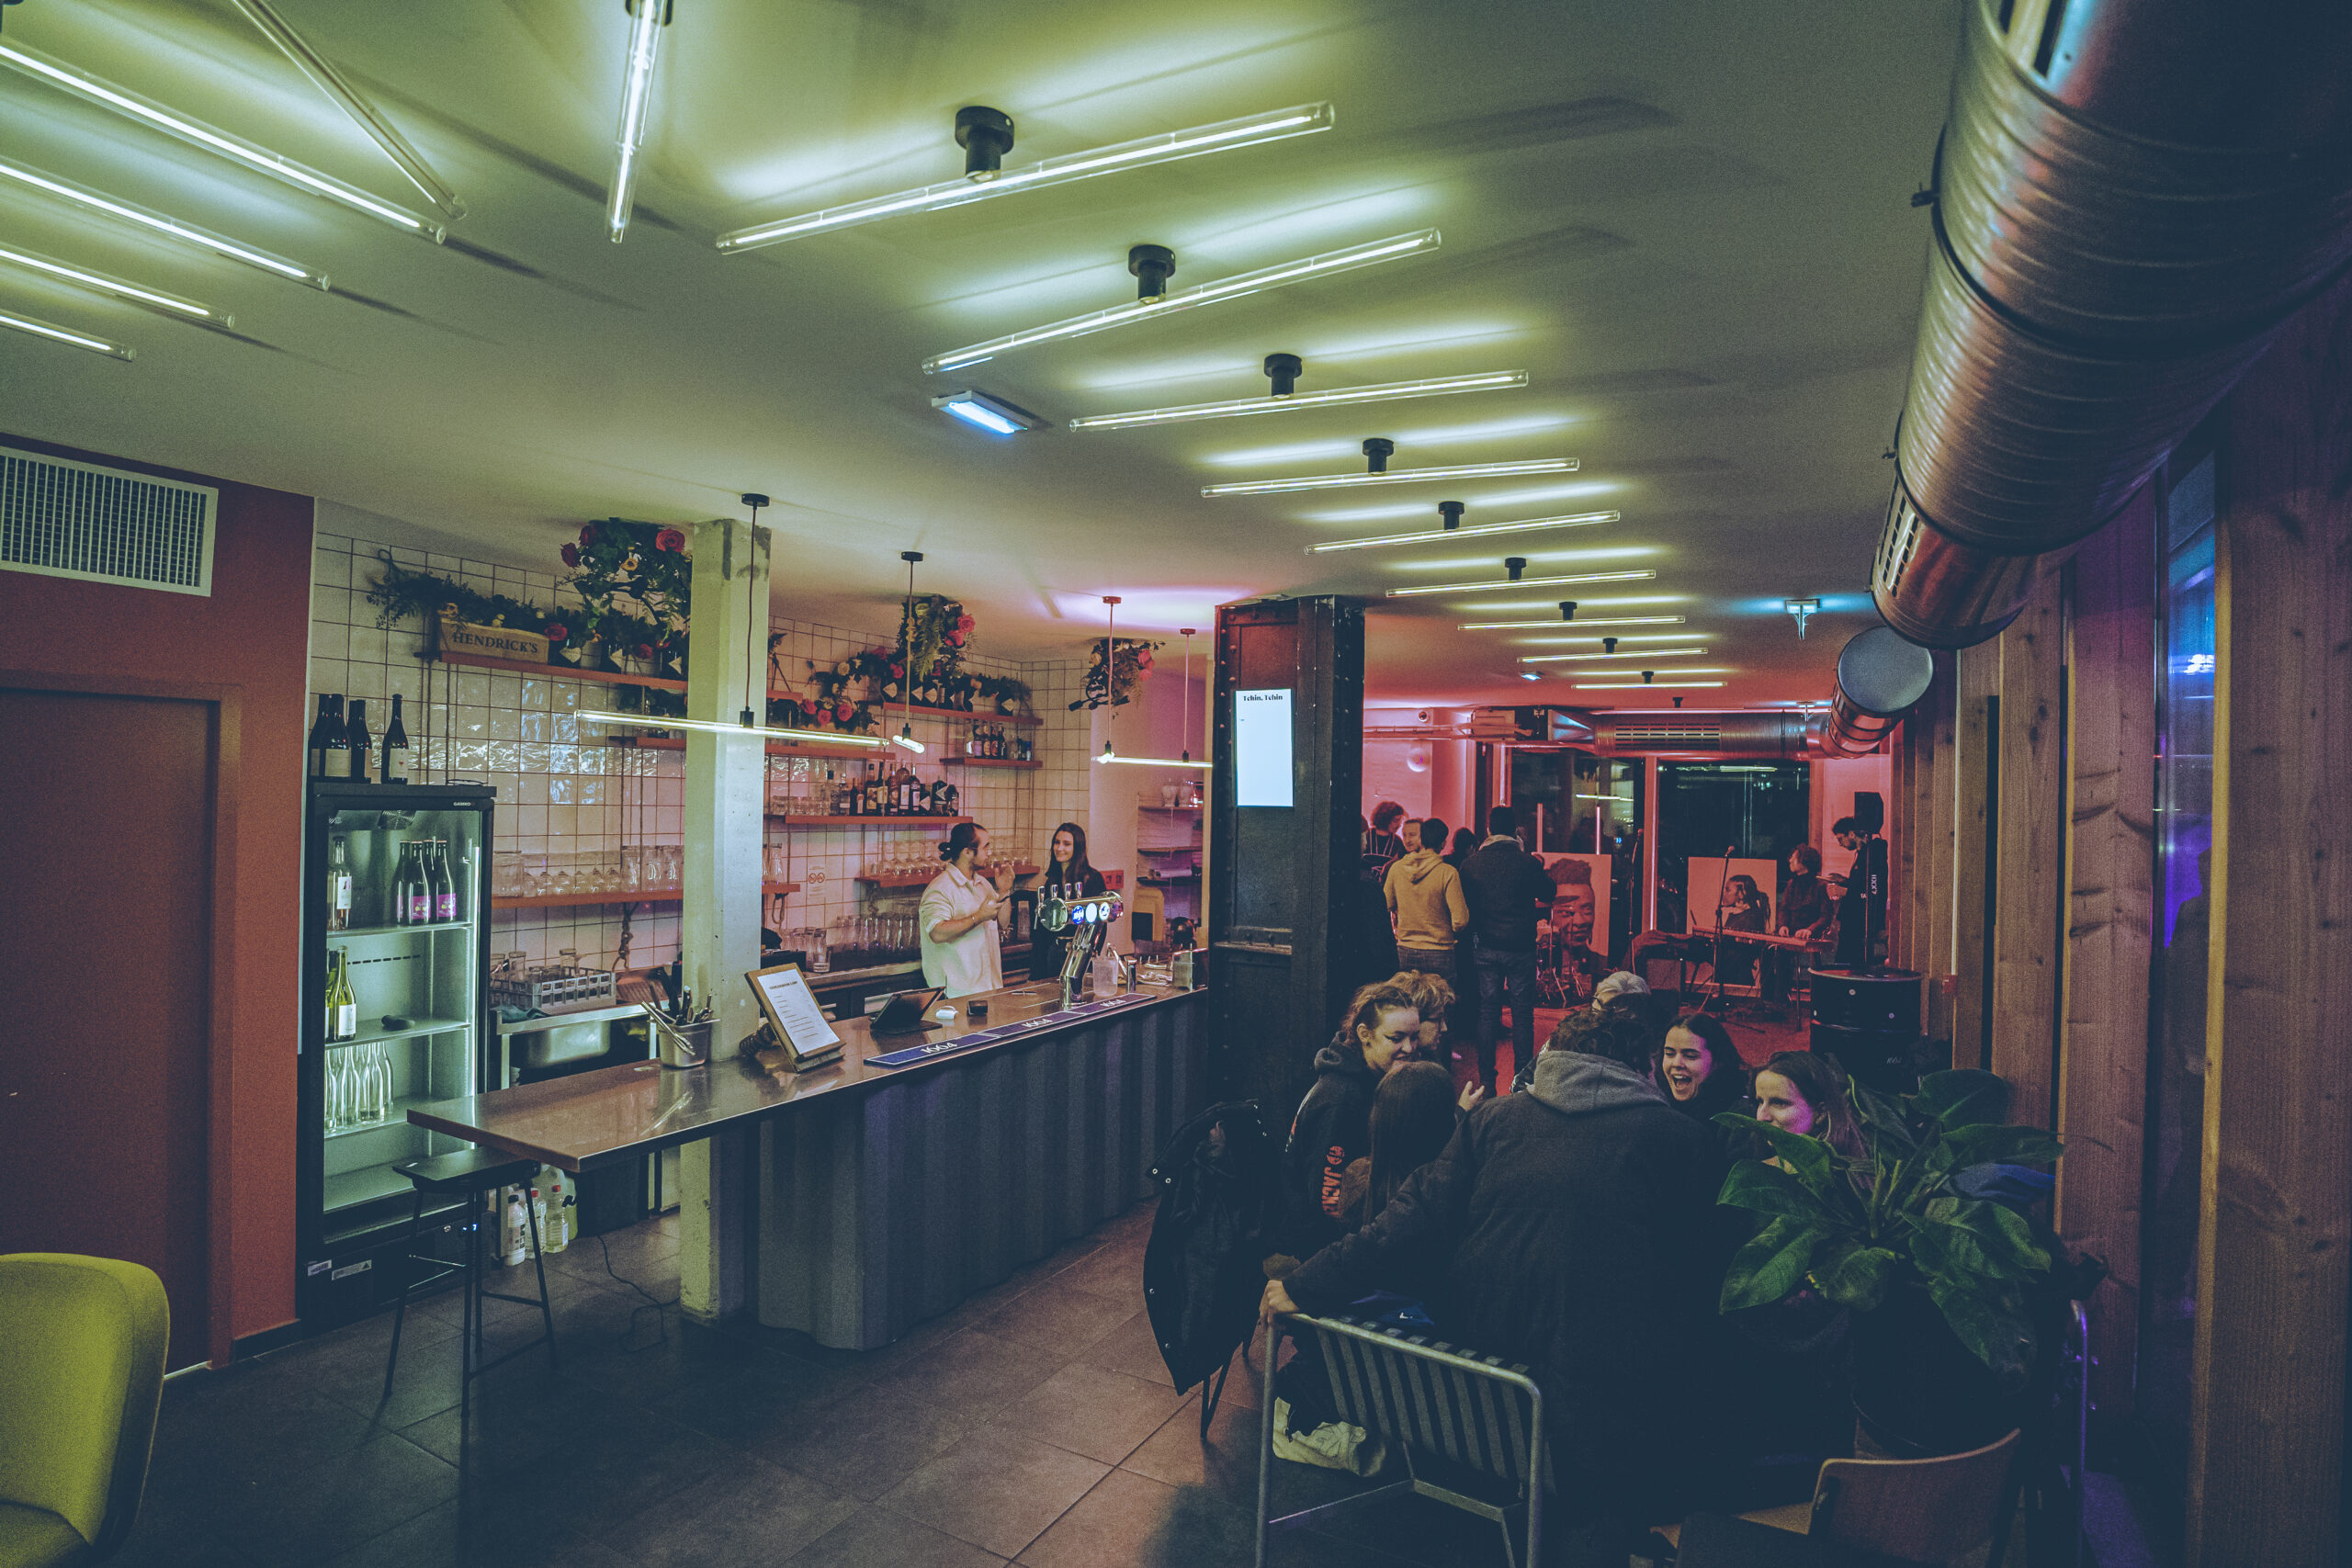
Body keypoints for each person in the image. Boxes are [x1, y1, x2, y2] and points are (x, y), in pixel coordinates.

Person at [1261, 1005, 1730, 1537]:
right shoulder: (1683, 1141)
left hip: (1478, 1390)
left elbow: (1406, 1222)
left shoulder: (1493, 1119)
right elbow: (1707, 1279)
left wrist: (1304, 1284)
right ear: (1641, 1066)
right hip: (1604, 1423)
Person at [1281, 982, 1420, 1259]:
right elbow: (1328, 1202)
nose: (1409, 1047)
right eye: (1396, 1038)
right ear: (1364, 1034)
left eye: (1415, 1037)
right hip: (1319, 1253)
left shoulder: (1371, 1078)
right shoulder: (1342, 1100)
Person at [1459, 806, 1554, 1094]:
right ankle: (1522, 1081)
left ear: (1488, 829)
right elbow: (1549, 893)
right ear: (1515, 831)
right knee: (1522, 1014)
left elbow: (1465, 903)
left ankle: (1487, 1080)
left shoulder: (1471, 864)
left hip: (1485, 946)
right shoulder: (1527, 863)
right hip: (1520, 948)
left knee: (1487, 1012)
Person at [920, 821, 1011, 998]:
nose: (988, 854)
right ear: (967, 852)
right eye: (985, 848)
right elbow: (937, 933)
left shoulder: (982, 884)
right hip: (956, 994)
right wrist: (978, 917)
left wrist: (1004, 890)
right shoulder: (940, 888)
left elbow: (1004, 922)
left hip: (988, 989)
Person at [1385, 818, 1469, 984]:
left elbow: (1387, 903)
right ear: (1444, 843)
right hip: (1440, 951)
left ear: (1421, 840)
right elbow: (1460, 921)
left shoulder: (1396, 869)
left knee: (1409, 1005)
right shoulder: (1447, 873)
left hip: (1406, 949)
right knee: (1439, 1005)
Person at [1750, 1049, 1866, 1166]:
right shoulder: (1762, 1159)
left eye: (1780, 1103)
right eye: (1760, 1101)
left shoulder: (1840, 1176)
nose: (1761, 1117)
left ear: (1821, 1113)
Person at [1655, 1010, 1752, 1143]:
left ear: (1718, 1061)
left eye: (1690, 1056)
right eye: (1669, 1054)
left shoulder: (1737, 1116)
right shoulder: (1657, 1102)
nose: (1677, 1063)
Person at [1028, 821, 1107, 981]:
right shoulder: (1052, 881)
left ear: (1077, 848)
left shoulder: (1092, 879)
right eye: (1057, 843)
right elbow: (1043, 931)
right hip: (1053, 955)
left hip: (1079, 955)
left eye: (1066, 844)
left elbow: (1100, 925)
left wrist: (1089, 952)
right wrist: (1036, 971)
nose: (1060, 848)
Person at [1766, 845, 1832, 1011]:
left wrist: (1810, 930)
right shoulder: (1791, 884)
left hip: (1809, 935)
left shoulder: (1820, 886)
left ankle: (1780, 1001)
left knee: (1781, 954)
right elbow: (1784, 909)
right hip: (1791, 933)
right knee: (1768, 950)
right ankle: (1771, 1000)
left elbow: (1825, 916)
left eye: (1794, 858)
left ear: (1804, 862)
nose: (1790, 860)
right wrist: (1783, 926)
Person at [1545, 857, 1611, 1004]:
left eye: (1587, 911)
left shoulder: (1603, 964)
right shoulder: (1543, 965)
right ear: (1550, 915)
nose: (1580, 921)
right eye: (1567, 913)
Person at [1832, 817, 1889, 968]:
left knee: (1849, 964)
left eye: (1840, 838)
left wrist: (1845, 891)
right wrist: (1845, 881)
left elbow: (1872, 890)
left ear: (1851, 834)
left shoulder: (1872, 855)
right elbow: (1865, 885)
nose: (1840, 844)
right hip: (1855, 919)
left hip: (1859, 922)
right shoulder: (1865, 855)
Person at [1714, 873, 1770, 988]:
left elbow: (1744, 952)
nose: (1723, 894)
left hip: (1736, 977)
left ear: (1741, 894)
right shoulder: (1738, 915)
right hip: (1729, 972)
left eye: (1728, 890)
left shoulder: (1751, 918)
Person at [1361, 801, 1408, 873]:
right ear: (1385, 819)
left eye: (1400, 821)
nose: (1399, 825)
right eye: (1395, 821)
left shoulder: (1397, 841)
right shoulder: (1366, 836)